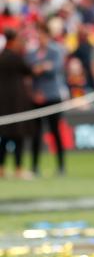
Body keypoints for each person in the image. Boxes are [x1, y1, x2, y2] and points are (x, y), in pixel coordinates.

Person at [27, 21, 69, 176]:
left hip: (52, 97)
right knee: (35, 133)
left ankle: (61, 166)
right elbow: (30, 70)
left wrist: (41, 67)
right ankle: (34, 167)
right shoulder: (32, 53)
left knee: (55, 132)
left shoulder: (55, 50)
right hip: (37, 97)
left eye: (43, 35)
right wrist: (43, 66)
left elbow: (55, 68)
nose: (40, 38)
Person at [0, 28, 34, 179]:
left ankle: (1, 168)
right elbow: (29, 71)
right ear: (13, 40)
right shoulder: (15, 57)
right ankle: (18, 168)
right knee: (18, 137)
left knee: (4, 137)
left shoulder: (2, 56)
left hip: (3, 104)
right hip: (16, 104)